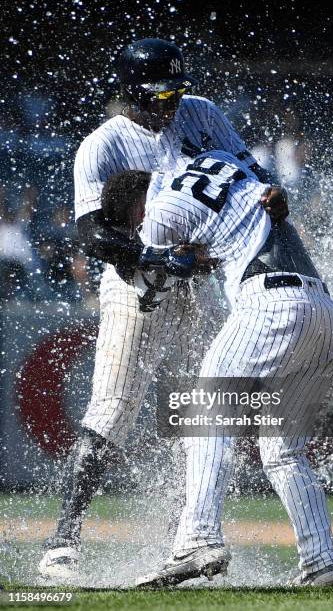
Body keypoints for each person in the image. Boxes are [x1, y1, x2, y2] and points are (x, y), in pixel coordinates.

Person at [38, 38, 287, 580]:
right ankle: (63, 541)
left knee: (200, 408)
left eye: (176, 92)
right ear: (130, 92)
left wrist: (271, 192)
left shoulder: (202, 113)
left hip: (202, 285)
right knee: (112, 408)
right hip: (137, 284)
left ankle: (191, 536)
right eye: (159, 95)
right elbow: (92, 234)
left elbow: (250, 177)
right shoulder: (102, 145)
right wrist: (154, 255)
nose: (170, 106)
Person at [110, 150, 333, 587]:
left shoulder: (157, 213)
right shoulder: (214, 159)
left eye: (131, 221)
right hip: (328, 313)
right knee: (284, 451)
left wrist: (171, 257)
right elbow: (263, 197)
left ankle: (197, 539)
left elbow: (157, 270)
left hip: (271, 304)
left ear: (135, 210)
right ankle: (322, 562)